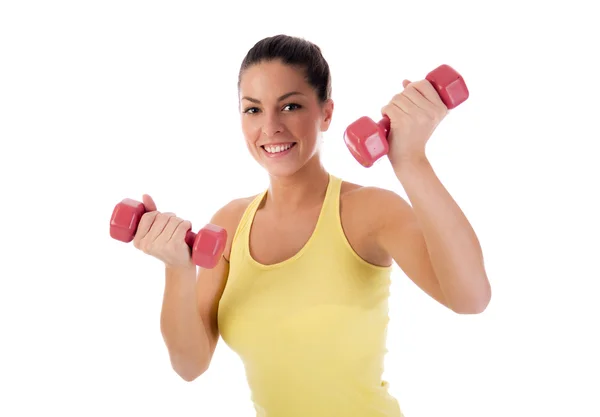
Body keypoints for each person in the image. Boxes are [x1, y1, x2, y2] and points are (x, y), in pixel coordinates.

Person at [132, 34, 491, 417]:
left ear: (326, 114)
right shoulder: (229, 223)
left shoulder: (369, 211)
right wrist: (177, 268)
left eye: (290, 106)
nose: (270, 127)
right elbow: (190, 365)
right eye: (253, 110)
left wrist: (410, 159)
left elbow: (470, 298)